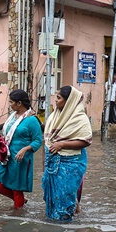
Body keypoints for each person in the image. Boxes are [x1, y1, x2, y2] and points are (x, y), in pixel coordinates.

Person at [43, 85, 93, 220]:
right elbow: (49, 139)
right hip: (53, 161)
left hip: (71, 162)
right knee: (51, 196)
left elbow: (86, 140)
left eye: (59, 98)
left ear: (69, 101)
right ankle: (52, 226)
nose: (55, 100)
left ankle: (64, 230)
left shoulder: (79, 118)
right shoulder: (55, 116)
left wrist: (63, 144)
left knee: (65, 196)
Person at [0, 89, 43, 209]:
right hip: (6, 155)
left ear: (19, 103)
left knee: (16, 188)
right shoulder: (12, 118)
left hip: (21, 158)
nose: (10, 105)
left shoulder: (32, 120)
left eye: (11, 102)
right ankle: (22, 201)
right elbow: (8, 134)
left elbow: (38, 141)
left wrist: (25, 149)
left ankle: (18, 216)